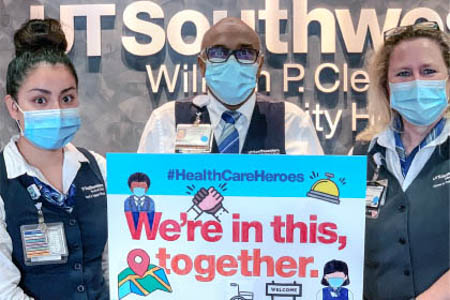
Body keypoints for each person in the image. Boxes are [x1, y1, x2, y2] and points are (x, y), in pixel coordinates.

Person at [0, 19, 108, 299]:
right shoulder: (3, 181)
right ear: (14, 107)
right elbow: (4, 290)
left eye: (67, 97)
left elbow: (115, 260)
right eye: (40, 100)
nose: (57, 110)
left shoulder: (98, 168)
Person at [353, 21, 449, 299]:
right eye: (404, 73)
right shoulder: (363, 154)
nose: (417, 82)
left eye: (429, 71)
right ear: (386, 87)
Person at [138, 17, 323, 155]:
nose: (232, 61)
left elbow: (315, 202)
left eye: (245, 52)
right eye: (219, 52)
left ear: (259, 65)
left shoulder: (291, 122)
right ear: (202, 65)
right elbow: (144, 185)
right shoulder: (165, 121)